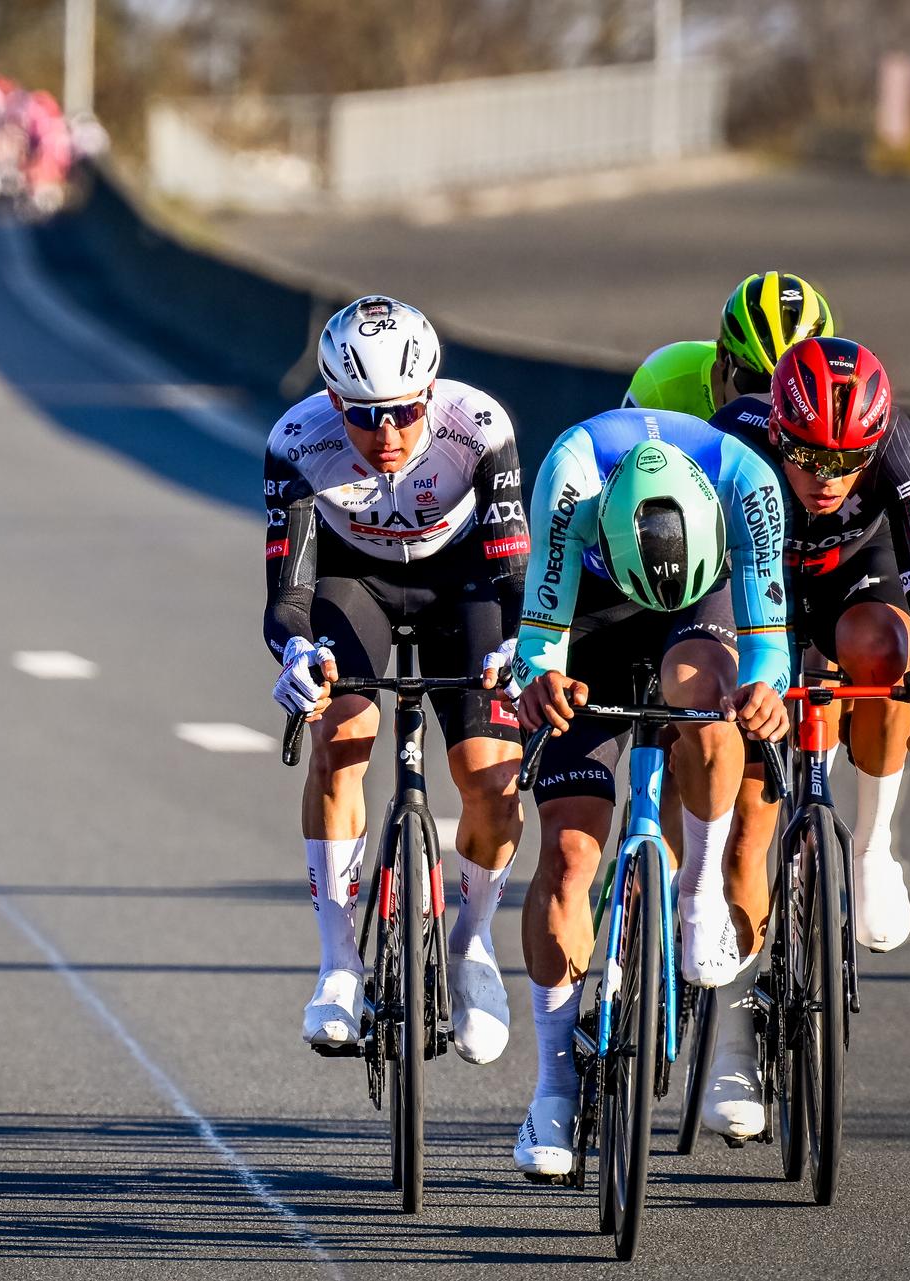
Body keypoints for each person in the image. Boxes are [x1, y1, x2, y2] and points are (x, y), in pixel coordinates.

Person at [683, 336, 910, 1136]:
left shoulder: (901, 448)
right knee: (749, 828)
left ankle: (874, 848)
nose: (827, 478)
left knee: (888, 649)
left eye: (847, 461)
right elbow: (703, 592)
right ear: (778, 431)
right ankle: (733, 1041)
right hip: (757, 587)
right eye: (808, 456)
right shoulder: (733, 439)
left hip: (854, 575)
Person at [495, 407, 792, 1178]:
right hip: (592, 607)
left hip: (700, 604)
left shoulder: (748, 482)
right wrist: (541, 680)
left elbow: (770, 645)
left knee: (710, 700)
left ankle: (698, 893)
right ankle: (553, 1088)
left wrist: (764, 692)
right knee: (568, 855)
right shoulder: (572, 476)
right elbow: (539, 639)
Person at [265, 296, 532, 1066]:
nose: (387, 435)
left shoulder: (478, 428)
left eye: (406, 412)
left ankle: (473, 943)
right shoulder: (297, 441)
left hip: (465, 583)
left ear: (431, 394)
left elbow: (513, 575)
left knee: (490, 770)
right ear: (332, 400)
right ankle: (339, 964)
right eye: (363, 415)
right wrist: (295, 653)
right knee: (342, 730)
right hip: (356, 581)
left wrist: (521, 646)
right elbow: (287, 593)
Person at [624, 271, 835, 420]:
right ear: (723, 356)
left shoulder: (840, 399)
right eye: (757, 384)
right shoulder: (663, 379)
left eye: (794, 389)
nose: (772, 404)